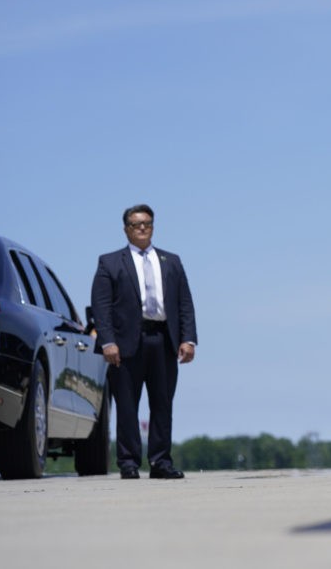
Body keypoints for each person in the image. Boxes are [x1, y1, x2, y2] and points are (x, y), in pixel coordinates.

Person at [91, 204, 197, 480]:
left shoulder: (171, 261)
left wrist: (188, 339)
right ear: (126, 229)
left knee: (162, 403)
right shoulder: (110, 262)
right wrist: (107, 342)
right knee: (127, 405)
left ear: (153, 226)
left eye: (147, 223)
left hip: (163, 340)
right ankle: (128, 463)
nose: (142, 228)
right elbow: (101, 307)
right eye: (136, 224)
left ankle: (161, 462)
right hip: (125, 344)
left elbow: (184, 303)